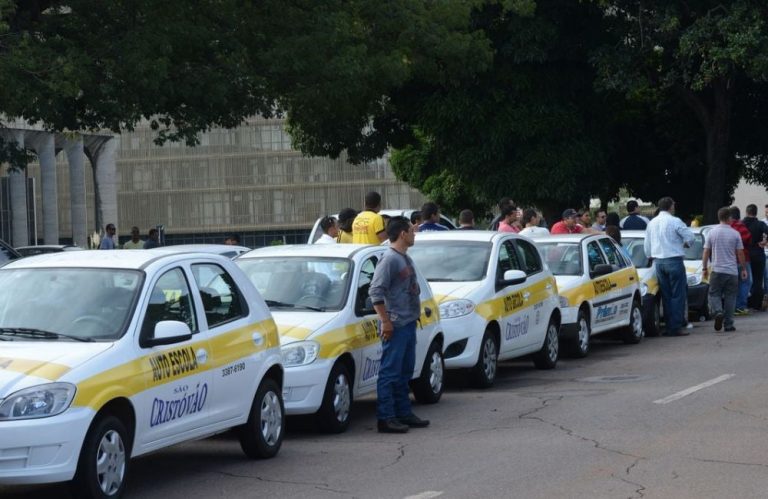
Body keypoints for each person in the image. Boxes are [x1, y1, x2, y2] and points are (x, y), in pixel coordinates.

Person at [369, 217, 429, 434]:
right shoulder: (389, 260)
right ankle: (386, 417)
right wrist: (385, 321)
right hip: (396, 324)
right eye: (411, 231)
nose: (414, 234)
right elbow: (375, 292)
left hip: (408, 322)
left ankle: (403, 412)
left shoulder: (404, 258)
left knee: (404, 371)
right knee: (390, 372)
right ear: (402, 234)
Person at [643, 196, 694, 336]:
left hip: (658, 261)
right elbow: (690, 237)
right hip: (674, 260)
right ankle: (675, 326)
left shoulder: (652, 223)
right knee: (678, 294)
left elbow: (646, 246)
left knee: (666, 295)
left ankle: (668, 325)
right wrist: (686, 244)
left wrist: (650, 256)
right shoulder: (675, 221)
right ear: (671, 206)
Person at [703, 207, 748, 332]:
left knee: (714, 293)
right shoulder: (735, 233)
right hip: (731, 271)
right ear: (729, 218)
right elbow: (740, 253)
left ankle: (718, 311)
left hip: (717, 270)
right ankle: (728, 324)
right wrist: (744, 269)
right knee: (731, 297)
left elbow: (706, 251)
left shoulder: (712, 232)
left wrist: (704, 267)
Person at [741, 204, 768, 310]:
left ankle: (744, 303)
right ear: (756, 213)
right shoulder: (760, 224)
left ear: (747, 212)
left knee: (744, 280)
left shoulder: (741, 224)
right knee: (758, 280)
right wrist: (765, 241)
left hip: (744, 254)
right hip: (758, 254)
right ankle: (756, 303)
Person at [728, 207, 752, 315]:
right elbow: (748, 240)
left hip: (729, 260)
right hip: (743, 259)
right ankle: (740, 306)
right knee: (745, 282)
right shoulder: (741, 227)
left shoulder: (726, 227)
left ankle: (730, 308)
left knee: (732, 285)